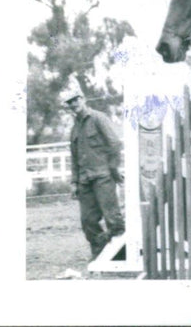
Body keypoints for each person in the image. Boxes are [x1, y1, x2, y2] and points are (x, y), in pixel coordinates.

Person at [61, 79, 125, 259]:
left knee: (113, 218)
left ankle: (120, 255)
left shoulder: (98, 118)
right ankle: (101, 254)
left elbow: (114, 143)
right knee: (88, 221)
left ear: (83, 99)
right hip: (85, 181)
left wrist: (113, 168)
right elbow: (74, 158)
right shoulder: (75, 128)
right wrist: (74, 182)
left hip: (103, 177)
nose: (73, 104)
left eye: (76, 100)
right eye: (70, 102)